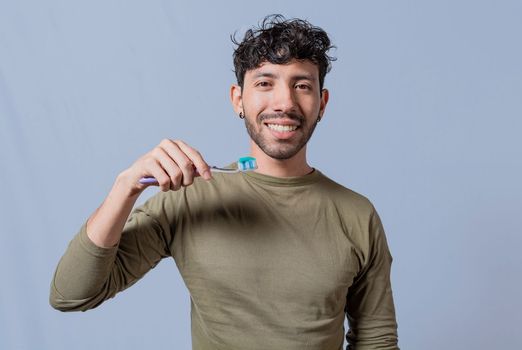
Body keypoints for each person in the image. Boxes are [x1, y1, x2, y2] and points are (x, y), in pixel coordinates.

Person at [50, 14, 399, 350]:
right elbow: (72, 294)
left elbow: (376, 339)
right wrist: (125, 187)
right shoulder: (190, 199)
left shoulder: (357, 215)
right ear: (238, 99)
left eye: (302, 85)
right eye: (265, 83)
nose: (285, 102)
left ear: (321, 103)